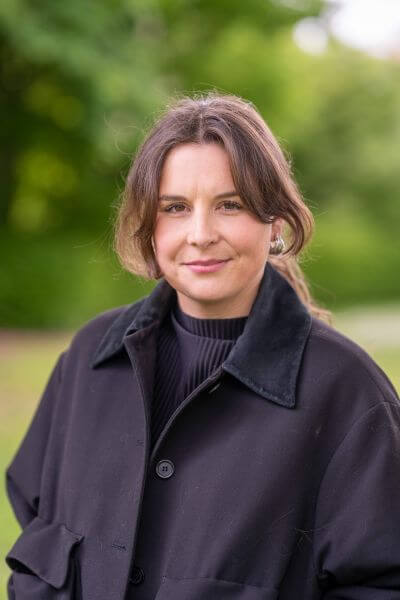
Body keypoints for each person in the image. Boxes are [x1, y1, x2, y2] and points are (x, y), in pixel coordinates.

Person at [4, 91, 400, 600]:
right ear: (149, 226)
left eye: (230, 205)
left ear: (275, 222)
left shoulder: (348, 392)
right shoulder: (88, 358)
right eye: (175, 208)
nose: (200, 234)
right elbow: (35, 542)